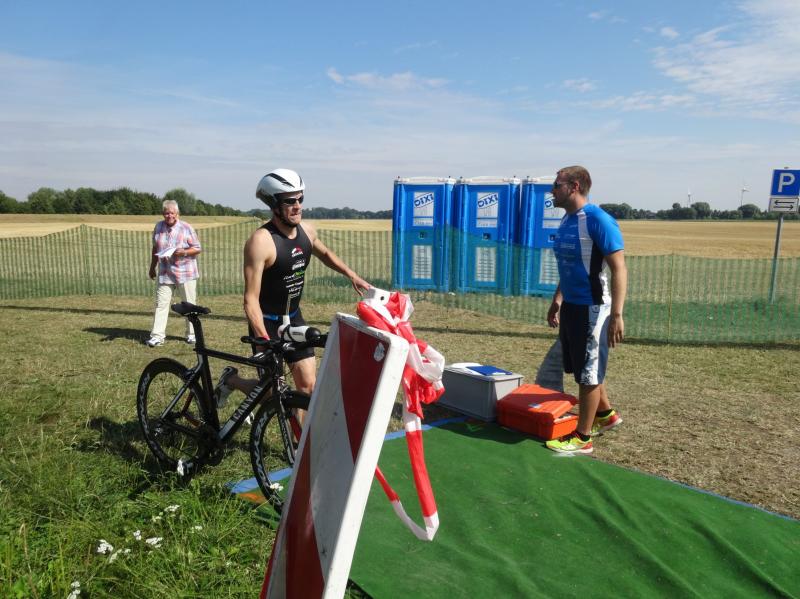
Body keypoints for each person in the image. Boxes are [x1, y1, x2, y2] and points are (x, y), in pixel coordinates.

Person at [215, 168, 370, 406]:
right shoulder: (261, 242)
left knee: (308, 387)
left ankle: (299, 433)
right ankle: (231, 380)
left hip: (294, 318)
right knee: (273, 393)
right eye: (290, 201)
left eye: (300, 199)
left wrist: (352, 275)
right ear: (274, 204)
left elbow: (325, 253)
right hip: (267, 322)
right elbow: (250, 300)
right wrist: (263, 338)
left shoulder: (307, 231)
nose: (297, 206)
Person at [544, 166, 627, 455]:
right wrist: (558, 299)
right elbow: (569, 265)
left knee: (588, 374)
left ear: (574, 186)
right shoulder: (567, 219)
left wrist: (617, 315)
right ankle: (606, 415)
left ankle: (582, 437)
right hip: (572, 306)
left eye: (557, 185)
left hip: (594, 307)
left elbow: (619, 268)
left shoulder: (598, 220)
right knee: (582, 367)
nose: (552, 191)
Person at [146, 200, 202, 347]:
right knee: (161, 304)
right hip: (165, 272)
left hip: (186, 272)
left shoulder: (186, 227)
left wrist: (184, 252)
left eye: (172, 213)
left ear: (177, 214)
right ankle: (157, 336)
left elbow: (197, 248)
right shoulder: (158, 227)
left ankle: (192, 334)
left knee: (189, 305)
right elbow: (155, 248)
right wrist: (152, 267)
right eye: (166, 213)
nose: (169, 215)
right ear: (163, 214)